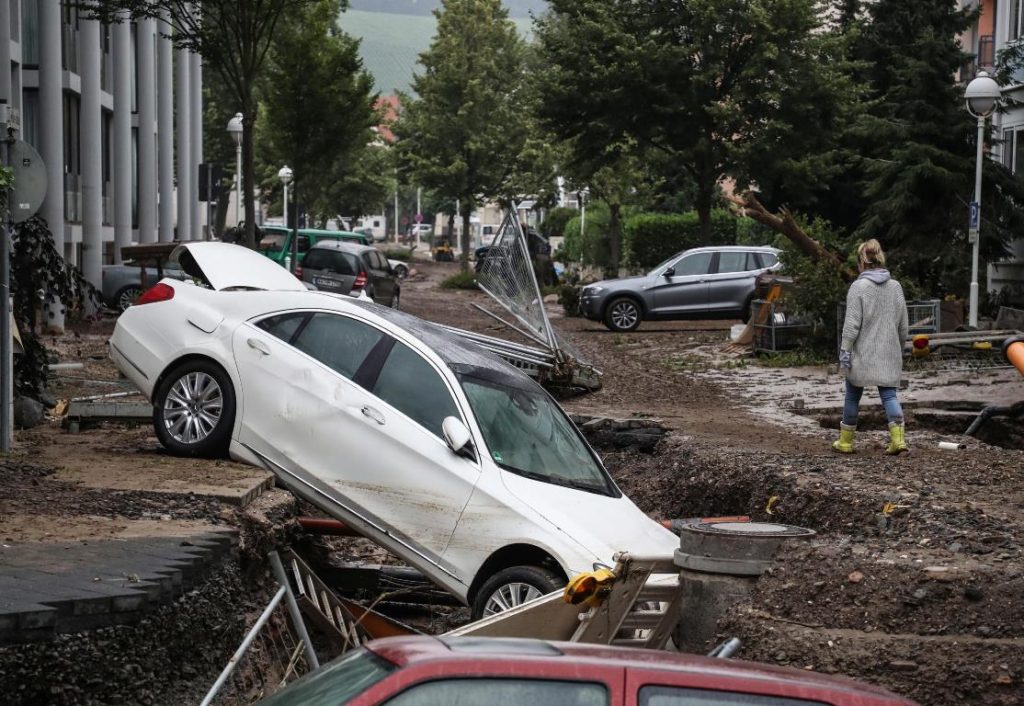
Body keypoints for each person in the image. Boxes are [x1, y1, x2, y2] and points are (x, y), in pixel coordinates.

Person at [833, 239, 909, 455]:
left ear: (861, 263)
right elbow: (903, 326)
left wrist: (845, 352)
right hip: (888, 353)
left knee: (852, 396)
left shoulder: (859, 287)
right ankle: (898, 441)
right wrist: (899, 348)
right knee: (889, 396)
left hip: (861, 355)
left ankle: (846, 442)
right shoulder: (895, 287)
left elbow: (851, 326)